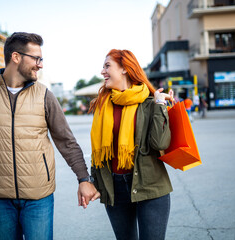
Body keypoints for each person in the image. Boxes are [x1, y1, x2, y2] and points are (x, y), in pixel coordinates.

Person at [0, 32, 98, 240]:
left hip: (39, 198)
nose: (40, 65)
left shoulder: (44, 95)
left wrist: (84, 179)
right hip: (0, 197)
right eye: (36, 58)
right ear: (16, 57)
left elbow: (66, 141)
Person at [88, 49, 174, 240]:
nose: (102, 71)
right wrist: (93, 181)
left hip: (150, 186)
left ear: (125, 69)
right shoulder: (102, 105)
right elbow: (97, 151)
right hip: (115, 188)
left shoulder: (150, 103)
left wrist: (160, 106)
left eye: (107, 66)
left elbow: (160, 143)